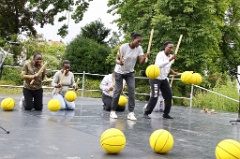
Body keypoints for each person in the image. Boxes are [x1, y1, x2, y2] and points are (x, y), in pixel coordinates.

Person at [110, 32, 150, 121]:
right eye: (138, 41)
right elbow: (116, 59)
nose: (139, 43)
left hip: (130, 73)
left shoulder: (139, 49)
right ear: (133, 39)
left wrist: (145, 57)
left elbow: (141, 62)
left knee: (132, 90)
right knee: (117, 91)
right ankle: (113, 111)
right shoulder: (123, 47)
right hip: (119, 71)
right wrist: (119, 62)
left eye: (140, 42)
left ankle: (131, 113)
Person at [143, 41, 180, 119]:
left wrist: (173, 72)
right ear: (165, 47)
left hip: (163, 79)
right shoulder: (160, 54)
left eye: (172, 48)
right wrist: (170, 59)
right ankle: (146, 113)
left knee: (168, 95)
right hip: (155, 78)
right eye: (169, 47)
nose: (171, 49)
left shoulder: (170, 56)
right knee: (155, 96)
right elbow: (159, 65)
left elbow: (167, 66)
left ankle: (166, 114)